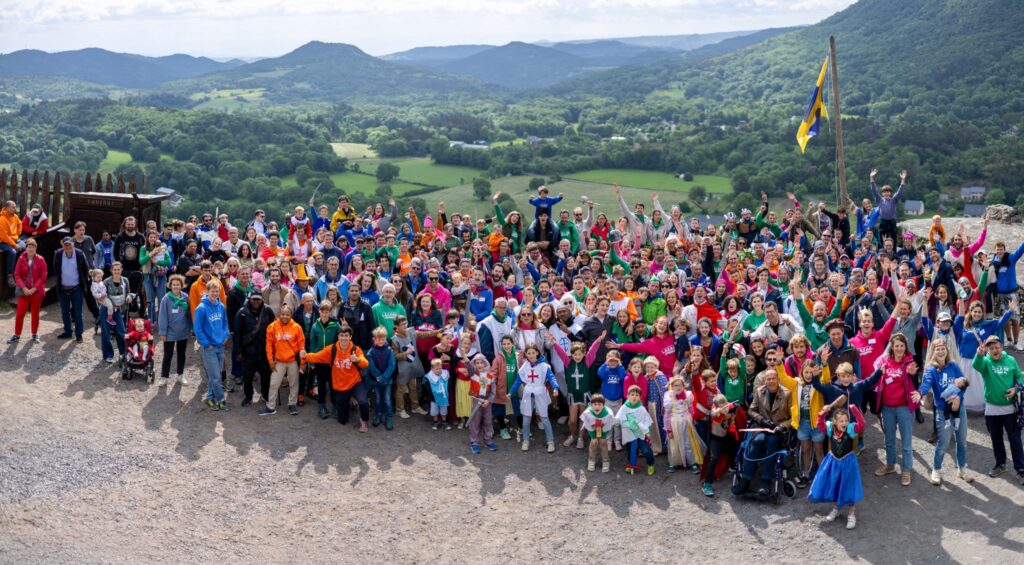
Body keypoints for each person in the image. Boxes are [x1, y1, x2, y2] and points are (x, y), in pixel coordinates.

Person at [914, 340, 973, 485]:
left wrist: (958, 398)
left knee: (962, 441)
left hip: (959, 409)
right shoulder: (930, 370)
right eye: (937, 349)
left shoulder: (953, 366)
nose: (940, 351)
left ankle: (961, 469)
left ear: (946, 351)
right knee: (943, 442)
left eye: (942, 349)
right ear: (933, 352)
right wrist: (920, 393)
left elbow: (963, 383)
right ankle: (936, 469)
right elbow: (926, 384)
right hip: (942, 411)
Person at [971, 335, 1024, 482]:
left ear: (1001, 347)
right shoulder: (985, 361)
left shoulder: (1011, 360)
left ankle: (1020, 468)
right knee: (996, 439)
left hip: (1010, 409)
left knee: (1015, 440)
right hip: (992, 409)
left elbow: (1020, 377)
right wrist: (979, 354)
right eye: (992, 348)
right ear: (988, 349)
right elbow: (976, 365)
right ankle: (1000, 464)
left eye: (997, 347)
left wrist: (1016, 389)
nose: (995, 350)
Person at [808, 402, 866, 530]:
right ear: (835, 422)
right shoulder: (830, 429)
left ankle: (851, 513)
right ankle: (836, 508)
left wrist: (854, 409)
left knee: (849, 487)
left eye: (846, 420)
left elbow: (862, 424)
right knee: (835, 484)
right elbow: (820, 424)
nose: (844, 423)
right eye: (841, 421)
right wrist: (823, 412)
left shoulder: (850, 429)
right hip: (833, 461)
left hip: (848, 462)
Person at [735, 369, 792, 497]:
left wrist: (782, 426)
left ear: (778, 379)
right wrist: (762, 420)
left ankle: (766, 481)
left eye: (773, 378)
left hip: (778, 430)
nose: (771, 381)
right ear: (765, 380)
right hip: (762, 427)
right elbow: (751, 410)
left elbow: (793, 418)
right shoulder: (760, 392)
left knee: (772, 443)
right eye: (768, 379)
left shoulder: (787, 394)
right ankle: (745, 479)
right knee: (756, 442)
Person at [873, 334, 920, 486]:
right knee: (889, 440)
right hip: (887, 408)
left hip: (904, 408)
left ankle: (906, 469)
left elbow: (914, 385)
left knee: (906, 441)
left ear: (905, 347)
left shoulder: (910, 363)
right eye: (896, 345)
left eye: (902, 346)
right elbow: (877, 380)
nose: (899, 348)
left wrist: (913, 375)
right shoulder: (885, 362)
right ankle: (890, 465)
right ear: (891, 347)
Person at [301, 326, 370, 428]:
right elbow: (317, 356)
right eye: (341, 335)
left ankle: (363, 420)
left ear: (350, 337)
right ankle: (349, 403)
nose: (344, 338)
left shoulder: (355, 349)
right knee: (342, 419)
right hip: (340, 387)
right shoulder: (332, 349)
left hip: (355, 383)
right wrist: (305, 356)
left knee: (363, 402)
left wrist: (358, 360)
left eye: (346, 336)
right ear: (338, 336)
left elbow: (366, 364)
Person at [508, 344, 561, 452]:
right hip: (528, 393)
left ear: (537, 352)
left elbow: (551, 378)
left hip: (540, 392)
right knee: (526, 419)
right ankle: (526, 440)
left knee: (544, 418)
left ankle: (550, 442)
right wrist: (511, 392)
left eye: (533, 352)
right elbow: (518, 380)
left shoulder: (544, 366)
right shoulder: (525, 366)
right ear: (526, 354)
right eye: (529, 353)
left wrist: (555, 388)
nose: (531, 355)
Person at [193, 280, 230, 411]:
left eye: (217, 291)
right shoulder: (201, 309)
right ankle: (221, 400)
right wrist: (206, 344)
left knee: (216, 374)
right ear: (207, 292)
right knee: (215, 377)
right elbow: (197, 329)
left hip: (220, 345)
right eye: (212, 291)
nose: (215, 293)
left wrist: (226, 336)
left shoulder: (221, 307)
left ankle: (209, 397)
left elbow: (225, 323)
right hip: (208, 348)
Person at [262, 306, 305, 417]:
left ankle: (292, 404)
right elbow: (268, 346)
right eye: (283, 314)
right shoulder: (272, 326)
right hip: (278, 361)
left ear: (291, 316)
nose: (285, 316)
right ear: (279, 315)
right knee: (273, 384)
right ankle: (270, 406)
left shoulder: (297, 327)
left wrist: (303, 362)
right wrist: (271, 361)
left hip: (292, 361)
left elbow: (302, 346)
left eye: (287, 314)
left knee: (294, 383)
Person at [662, 376, 704, 474]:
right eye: (675, 385)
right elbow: (667, 415)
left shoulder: (688, 395)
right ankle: (674, 462)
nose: (678, 387)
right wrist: (668, 429)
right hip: (674, 422)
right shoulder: (668, 397)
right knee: (674, 443)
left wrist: (693, 420)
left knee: (688, 442)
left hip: (686, 421)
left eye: (680, 385)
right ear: (672, 386)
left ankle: (692, 462)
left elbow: (691, 409)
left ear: (683, 385)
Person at [9, 237, 46, 343]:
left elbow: (43, 276)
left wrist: (34, 288)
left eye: (33, 247)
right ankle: (17, 335)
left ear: (36, 249)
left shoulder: (40, 259)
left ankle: (34, 334)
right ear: (26, 248)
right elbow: (16, 274)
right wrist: (24, 288)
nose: (31, 249)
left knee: (35, 313)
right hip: (24, 291)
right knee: (20, 313)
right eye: (29, 247)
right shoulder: (21, 258)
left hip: (37, 291)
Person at [157, 275, 192, 387]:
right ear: (170, 286)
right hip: (170, 332)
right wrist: (162, 332)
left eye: (178, 284)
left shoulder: (186, 297)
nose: (176, 286)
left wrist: (191, 328)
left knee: (182, 354)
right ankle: (164, 377)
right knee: (168, 354)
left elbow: (189, 315)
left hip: (183, 331)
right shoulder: (166, 299)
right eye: (174, 284)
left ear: (181, 285)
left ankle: (180, 375)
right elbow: (162, 316)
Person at [53, 237, 90, 342]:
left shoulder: (79, 254)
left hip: (77, 288)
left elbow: (85, 269)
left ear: (73, 244)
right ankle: (68, 332)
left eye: (69, 244)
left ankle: (79, 334)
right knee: (65, 312)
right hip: (63, 288)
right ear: (63, 245)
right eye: (66, 245)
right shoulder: (58, 254)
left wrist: (83, 284)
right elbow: (56, 269)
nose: (68, 247)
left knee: (78, 313)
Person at [617, 385, 656, 476]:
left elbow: (646, 420)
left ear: (640, 397)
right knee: (631, 449)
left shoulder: (641, 408)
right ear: (628, 396)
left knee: (646, 450)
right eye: (632, 394)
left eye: (637, 395)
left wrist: (647, 432)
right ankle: (631, 464)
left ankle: (650, 464)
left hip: (640, 433)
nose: (634, 397)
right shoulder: (624, 407)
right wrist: (628, 424)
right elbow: (619, 419)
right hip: (630, 433)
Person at [467, 354, 498, 454]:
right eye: (477, 363)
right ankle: (474, 442)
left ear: (485, 364)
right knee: (475, 421)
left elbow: (493, 391)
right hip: (476, 400)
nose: (479, 365)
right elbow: (467, 364)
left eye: (481, 363)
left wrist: (488, 400)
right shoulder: (473, 374)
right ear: (474, 364)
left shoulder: (490, 376)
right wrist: (463, 354)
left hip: (486, 401)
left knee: (488, 421)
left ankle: (488, 440)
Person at [366, 327, 396, 430]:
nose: (381, 341)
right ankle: (378, 414)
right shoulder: (371, 352)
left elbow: (391, 366)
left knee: (387, 399)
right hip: (376, 380)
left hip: (387, 380)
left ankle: (388, 417)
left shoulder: (389, 350)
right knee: (378, 399)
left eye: (383, 339)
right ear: (374, 339)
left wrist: (383, 377)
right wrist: (378, 377)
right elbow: (371, 366)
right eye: (379, 339)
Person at [100, 262, 130, 365]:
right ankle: (108, 355)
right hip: (106, 309)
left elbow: (128, 292)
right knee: (106, 332)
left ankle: (123, 353)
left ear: (121, 270)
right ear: (111, 271)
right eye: (115, 269)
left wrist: (128, 297)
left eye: (118, 269)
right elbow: (101, 297)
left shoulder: (125, 280)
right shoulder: (106, 282)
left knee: (121, 331)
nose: (117, 271)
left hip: (117, 310)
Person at [580, 394, 616, 472]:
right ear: (591, 405)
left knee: (603, 443)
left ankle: (606, 461)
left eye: (599, 404)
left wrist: (603, 436)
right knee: (593, 443)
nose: (597, 407)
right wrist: (593, 437)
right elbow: (588, 425)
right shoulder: (587, 413)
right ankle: (591, 460)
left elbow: (608, 426)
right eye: (595, 404)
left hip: (603, 429)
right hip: (592, 429)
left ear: (603, 405)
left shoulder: (608, 414)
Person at [424, 358, 451, 431]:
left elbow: (449, 383)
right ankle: (435, 422)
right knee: (434, 410)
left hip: (443, 396)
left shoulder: (445, 374)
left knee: (444, 409)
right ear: (432, 368)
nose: (439, 370)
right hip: (433, 397)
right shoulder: (428, 377)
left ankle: (444, 421)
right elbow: (427, 387)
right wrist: (433, 393)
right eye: (436, 369)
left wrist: (446, 390)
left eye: (440, 368)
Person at [1, 200, 23, 287]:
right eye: (13, 207)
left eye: (15, 207)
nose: (15, 209)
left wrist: (17, 235)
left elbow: (20, 224)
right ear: (7, 208)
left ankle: (20, 270)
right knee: (12, 252)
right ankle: (9, 275)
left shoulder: (15, 217)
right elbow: (4, 237)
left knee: (24, 246)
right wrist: (14, 245)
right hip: (2, 241)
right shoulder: (2, 220)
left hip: (13, 239)